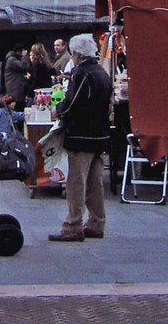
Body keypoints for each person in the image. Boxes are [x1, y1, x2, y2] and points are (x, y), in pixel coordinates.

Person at [48, 33, 113, 242]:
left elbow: (72, 103)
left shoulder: (82, 73)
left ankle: (73, 225)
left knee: (76, 181)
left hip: (81, 134)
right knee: (95, 182)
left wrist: (58, 110)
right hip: (99, 134)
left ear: (76, 53)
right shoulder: (102, 72)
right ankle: (96, 222)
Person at [3, 43, 30, 110]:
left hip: (17, 88)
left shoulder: (14, 59)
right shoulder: (11, 60)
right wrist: (24, 56)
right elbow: (22, 66)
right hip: (14, 90)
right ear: (18, 51)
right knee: (17, 107)